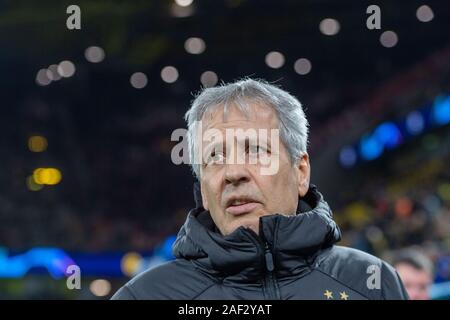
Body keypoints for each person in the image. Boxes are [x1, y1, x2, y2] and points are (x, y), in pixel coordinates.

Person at [112, 78, 408, 300]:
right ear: (203, 189)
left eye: (255, 150)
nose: (234, 173)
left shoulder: (372, 282)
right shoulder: (144, 296)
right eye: (214, 157)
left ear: (301, 172)